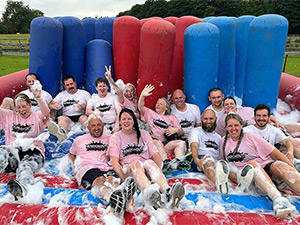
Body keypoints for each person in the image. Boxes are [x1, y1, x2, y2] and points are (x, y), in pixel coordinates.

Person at [220, 113, 299, 218]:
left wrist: (293, 169)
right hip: (250, 176)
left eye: (236, 125)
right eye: (230, 126)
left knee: (280, 165)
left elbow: (276, 154)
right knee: (252, 164)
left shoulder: (251, 137)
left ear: (241, 126)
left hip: (266, 167)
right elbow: (223, 162)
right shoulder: (223, 141)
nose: (233, 128)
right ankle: (279, 200)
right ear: (226, 127)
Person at [109, 108, 185, 209]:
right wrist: (124, 180)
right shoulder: (116, 137)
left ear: (134, 121)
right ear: (120, 121)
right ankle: (150, 192)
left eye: (129, 119)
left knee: (150, 162)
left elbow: (156, 155)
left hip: (145, 169)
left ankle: (167, 192)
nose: (126, 121)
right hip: (128, 170)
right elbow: (115, 163)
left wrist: (158, 172)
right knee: (136, 163)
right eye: (123, 119)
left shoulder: (144, 134)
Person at [69, 112, 136, 216]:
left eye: (99, 125)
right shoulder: (79, 140)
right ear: (88, 127)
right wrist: (75, 166)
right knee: (100, 180)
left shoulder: (111, 137)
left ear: (103, 126)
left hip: (106, 166)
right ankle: (114, 198)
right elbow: (71, 154)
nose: (97, 128)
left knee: (113, 180)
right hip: (87, 167)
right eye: (93, 126)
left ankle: (123, 197)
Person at [188, 109, 253, 194]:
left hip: (215, 162)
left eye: (211, 119)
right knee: (208, 158)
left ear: (216, 119)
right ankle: (220, 185)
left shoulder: (219, 138)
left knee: (228, 168)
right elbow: (194, 146)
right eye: (205, 119)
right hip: (200, 159)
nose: (208, 121)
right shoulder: (196, 131)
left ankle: (243, 184)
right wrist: (197, 160)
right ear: (201, 119)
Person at [0, 91, 50, 200]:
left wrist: (38, 97)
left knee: (25, 166)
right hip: (14, 153)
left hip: (33, 152)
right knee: (1, 151)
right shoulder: (9, 116)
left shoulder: (37, 116)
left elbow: (46, 113)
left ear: (30, 105)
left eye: (24, 106)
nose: (22, 110)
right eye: (18, 107)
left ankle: (22, 187)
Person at [138, 84, 190, 171]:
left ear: (166, 108)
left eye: (161, 104)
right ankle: (165, 162)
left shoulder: (171, 117)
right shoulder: (150, 113)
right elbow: (141, 107)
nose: (157, 105)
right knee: (158, 143)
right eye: (157, 103)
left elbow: (182, 133)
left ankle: (178, 162)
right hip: (153, 142)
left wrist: (176, 130)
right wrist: (142, 96)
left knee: (181, 143)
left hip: (165, 143)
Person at [49, 75, 91, 141]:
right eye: (67, 85)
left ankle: (89, 131)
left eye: (71, 84)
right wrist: (54, 105)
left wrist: (83, 107)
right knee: (61, 119)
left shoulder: (85, 94)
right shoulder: (61, 95)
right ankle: (61, 133)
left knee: (84, 118)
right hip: (67, 117)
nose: (70, 86)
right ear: (64, 86)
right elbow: (51, 104)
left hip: (80, 115)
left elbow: (91, 107)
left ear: (75, 83)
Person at [216, 97, 282, 137]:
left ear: (235, 105)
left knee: (284, 131)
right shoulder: (222, 120)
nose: (229, 106)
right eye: (226, 104)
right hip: (248, 138)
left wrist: (276, 121)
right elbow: (219, 135)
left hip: (263, 129)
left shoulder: (246, 110)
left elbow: (263, 113)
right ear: (223, 107)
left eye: (231, 104)